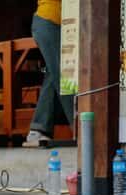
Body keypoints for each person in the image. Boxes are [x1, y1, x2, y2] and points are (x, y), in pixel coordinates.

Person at [23, 0, 73, 148]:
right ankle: (79, 126)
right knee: (64, 75)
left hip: (59, 25)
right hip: (49, 22)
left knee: (53, 73)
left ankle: (39, 129)